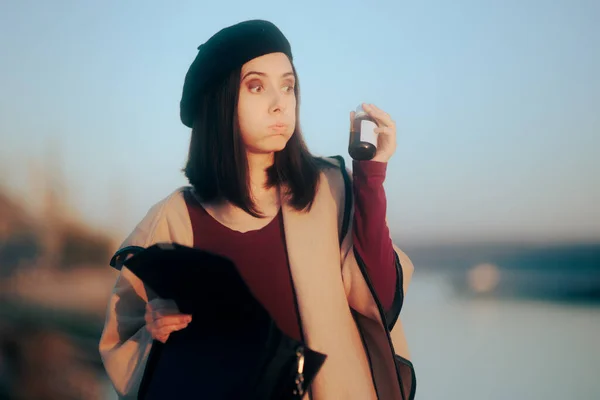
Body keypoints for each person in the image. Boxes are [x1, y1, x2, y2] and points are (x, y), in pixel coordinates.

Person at [99, 19, 416, 400]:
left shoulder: (328, 190)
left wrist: (370, 176)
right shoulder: (175, 218)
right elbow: (126, 332)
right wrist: (157, 326)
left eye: (288, 86)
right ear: (219, 100)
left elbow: (378, 297)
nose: (280, 102)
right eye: (256, 86)